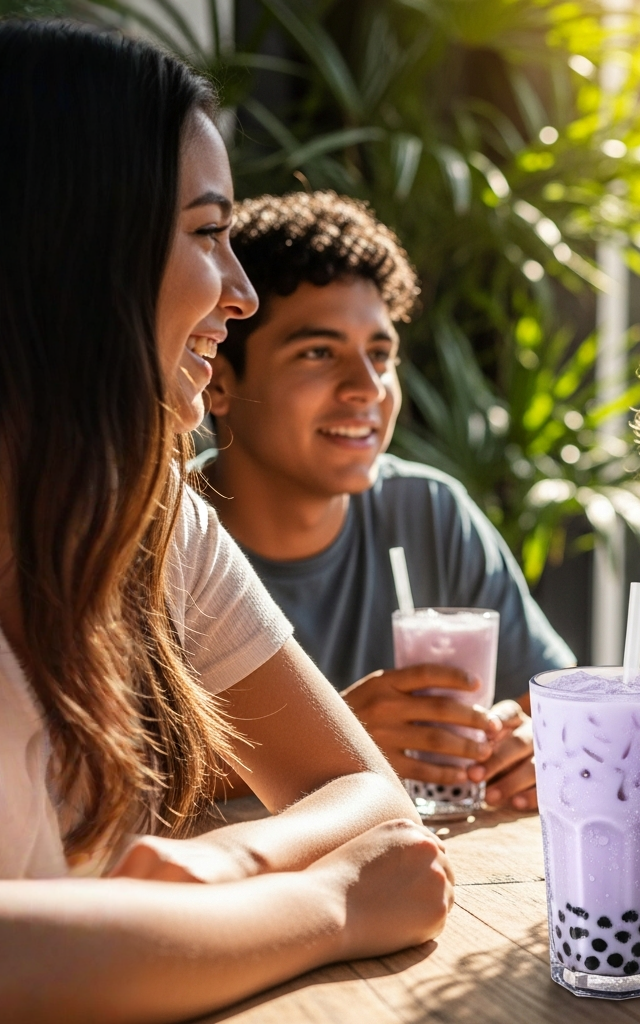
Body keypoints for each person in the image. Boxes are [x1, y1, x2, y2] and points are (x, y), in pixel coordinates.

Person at [0, 21, 451, 1024]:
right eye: (206, 235)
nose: (240, 293)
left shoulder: (150, 518)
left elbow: (363, 794)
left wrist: (227, 861)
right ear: (65, 253)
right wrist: (328, 904)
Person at [200, 191, 573, 812]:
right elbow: (104, 774)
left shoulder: (428, 513)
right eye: (318, 353)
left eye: (380, 356)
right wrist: (335, 745)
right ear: (218, 381)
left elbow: (547, 699)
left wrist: (529, 741)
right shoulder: (156, 537)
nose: (368, 388)